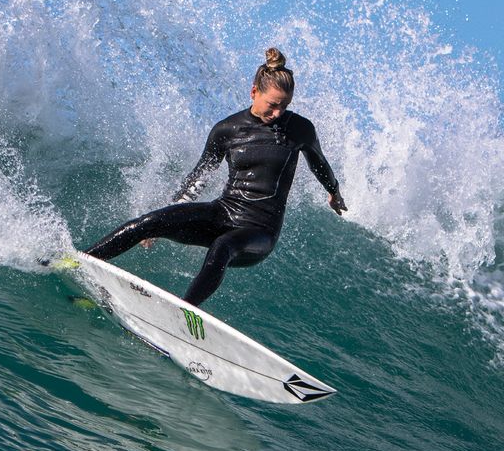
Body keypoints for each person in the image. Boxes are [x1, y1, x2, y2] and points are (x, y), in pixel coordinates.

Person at [82, 47, 347, 305]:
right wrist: (165, 220)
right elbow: (200, 176)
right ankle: (83, 261)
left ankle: (185, 311)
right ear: (254, 92)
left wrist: (334, 192)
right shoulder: (226, 130)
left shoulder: (299, 129)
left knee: (222, 246)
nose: (278, 113)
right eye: (273, 105)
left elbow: (318, 163)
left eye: (285, 106)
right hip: (223, 212)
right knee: (149, 221)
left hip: (259, 230)